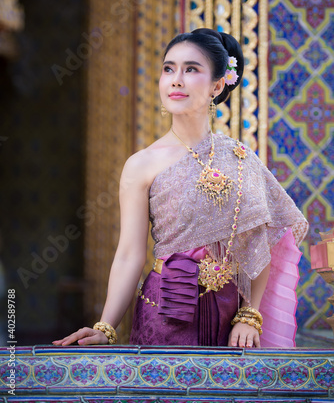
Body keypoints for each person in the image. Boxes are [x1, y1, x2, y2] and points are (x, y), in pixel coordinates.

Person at [53, 28, 308, 349]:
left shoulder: (242, 159)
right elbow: (130, 253)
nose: (176, 79)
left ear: (217, 84)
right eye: (168, 68)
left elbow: (260, 243)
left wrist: (250, 314)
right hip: (165, 310)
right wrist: (105, 327)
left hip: (231, 318)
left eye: (191, 69)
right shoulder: (141, 165)